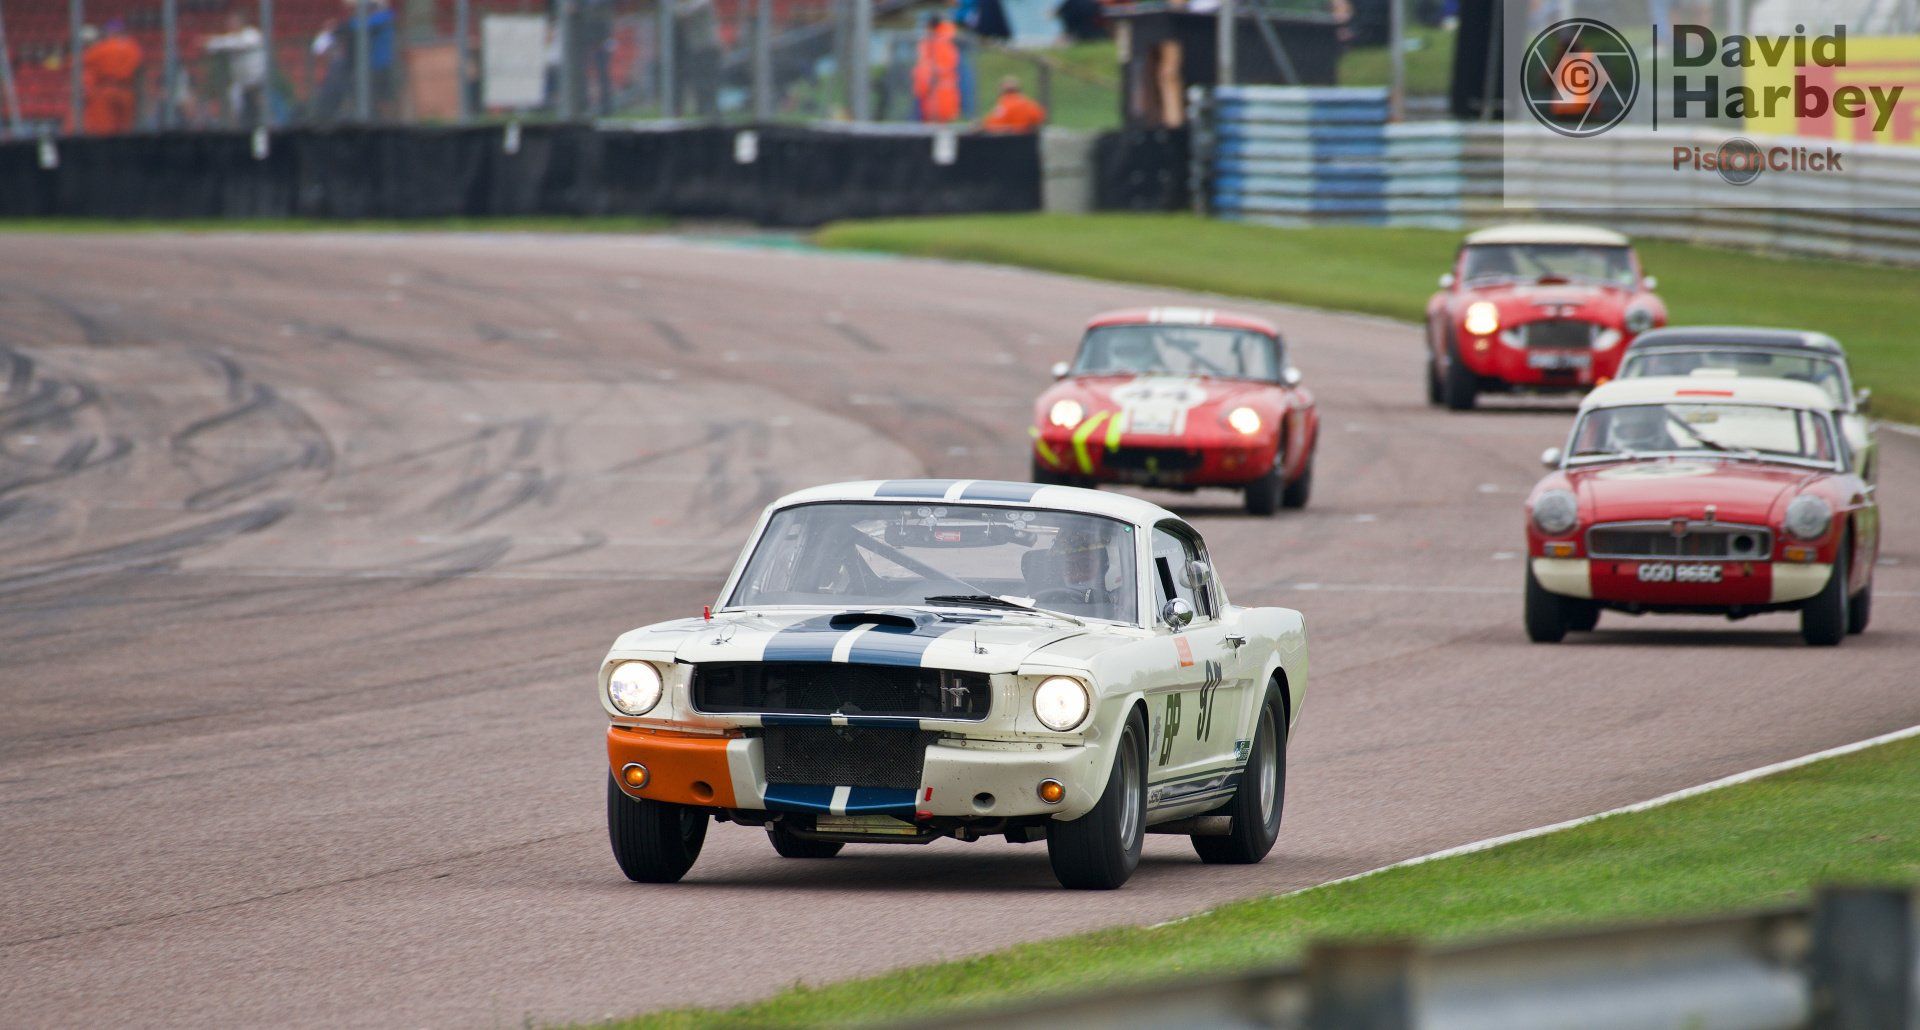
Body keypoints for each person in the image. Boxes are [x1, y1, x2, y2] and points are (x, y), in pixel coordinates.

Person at [204, 11, 268, 127]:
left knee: (260, 111)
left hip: (257, 82)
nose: (231, 25)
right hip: (241, 83)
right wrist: (210, 43)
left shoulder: (252, 35)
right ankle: (238, 129)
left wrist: (213, 41)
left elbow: (237, 44)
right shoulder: (231, 38)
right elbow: (213, 47)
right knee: (236, 105)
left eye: (234, 22)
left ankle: (267, 126)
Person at [82, 19, 143, 135]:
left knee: (105, 131)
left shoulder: (102, 47)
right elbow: (138, 71)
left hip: (106, 90)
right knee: (125, 131)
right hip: (127, 90)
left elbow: (82, 62)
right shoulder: (133, 47)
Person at [912, 16, 960, 124]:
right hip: (926, 89)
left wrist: (928, 77)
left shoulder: (941, 42)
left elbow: (943, 67)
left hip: (935, 91)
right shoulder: (933, 41)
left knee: (936, 124)